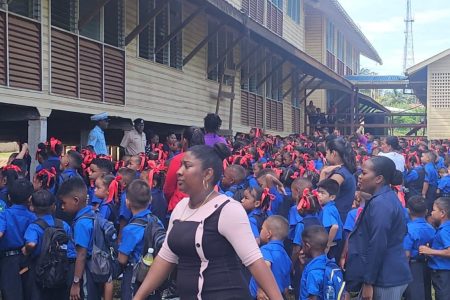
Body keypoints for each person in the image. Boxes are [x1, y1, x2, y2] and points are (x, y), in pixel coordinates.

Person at [134, 144, 282, 299]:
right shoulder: (180, 208)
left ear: (207, 174)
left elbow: (254, 262)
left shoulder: (229, 209)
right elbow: (166, 258)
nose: (179, 172)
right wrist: (138, 297)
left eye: (187, 166)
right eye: (180, 166)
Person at [345, 156, 412, 299]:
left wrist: (369, 281)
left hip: (384, 278)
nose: (360, 177)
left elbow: (378, 243)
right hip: (382, 275)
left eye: (364, 173)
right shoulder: (382, 198)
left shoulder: (382, 204)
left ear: (378, 179)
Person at [23, 190, 73, 300]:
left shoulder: (34, 227)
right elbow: (71, 251)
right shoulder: (63, 225)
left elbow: (31, 243)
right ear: (54, 206)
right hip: (61, 271)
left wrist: (25, 250)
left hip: (39, 272)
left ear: (32, 208)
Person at [118, 180, 163, 300]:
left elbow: (122, 259)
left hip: (134, 278)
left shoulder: (130, 229)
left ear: (127, 202)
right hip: (155, 275)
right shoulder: (156, 221)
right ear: (150, 200)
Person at [57, 177, 95, 300]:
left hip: (80, 270)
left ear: (75, 200)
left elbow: (81, 254)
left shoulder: (81, 224)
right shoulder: (92, 214)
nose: (62, 207)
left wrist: (75, 283)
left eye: (64, 203)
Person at [0, 179, 36, 300]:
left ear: (9, 197)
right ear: (30, 198)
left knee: (10, 294)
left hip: (8, 260)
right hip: (28, 258)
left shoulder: (4, 214)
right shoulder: (33, 217)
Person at [249, 215, 291, 299]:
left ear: (268, 234)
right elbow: (286, 284)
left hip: (263, 295)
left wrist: (260, 289)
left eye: (262, 229)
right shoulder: (286, 256)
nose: (260, 231)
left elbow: (266, 266)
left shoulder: (266, 249)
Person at [163, 126, 204, 212]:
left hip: (181, 206)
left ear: (184, 141)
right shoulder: (208, 159)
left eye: (181, 139)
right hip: (204, 205)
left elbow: (168, 188)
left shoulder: (179, 159)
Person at [403, 196, 435, 300]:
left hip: (413, 265)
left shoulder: (409, 229)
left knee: (414, 293)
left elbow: (406, 253)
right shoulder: (431, 229)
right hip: (427, 264)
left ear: (409, 211)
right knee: (426, 291)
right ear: (426, 211)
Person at [419, 197, 450, 300]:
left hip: (443, 273)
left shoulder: (444, 231)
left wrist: (430, 251)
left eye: (434, 210)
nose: (431, 213)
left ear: (442, 213)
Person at [320, 137, 356, 223]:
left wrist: (323, 173)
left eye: (327, 152)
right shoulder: (344, 170)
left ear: (334, 153)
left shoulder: (339, 175)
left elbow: (322, 197)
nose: (326, 155)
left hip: (335, 219)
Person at [299, 225, 336, 300]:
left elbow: (313, 297)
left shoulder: (313, 271)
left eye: (302, 245)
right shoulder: (330, 264)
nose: (301, 249)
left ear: (307, 246)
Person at [317, 178, 343, 261]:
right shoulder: (331, 207)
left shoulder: (327, 209)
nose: (319, 195)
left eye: (323, 193)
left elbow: (335, 227)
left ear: (332, 197)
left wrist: (327, 245)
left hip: (332, 245)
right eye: (318, 192)